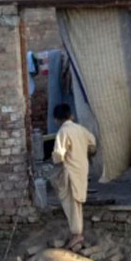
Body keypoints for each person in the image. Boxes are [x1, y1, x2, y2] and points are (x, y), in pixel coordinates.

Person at [50, 103, 97, 251]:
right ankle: (77, 233)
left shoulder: (63, 132)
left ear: (56, 120)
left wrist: (54, 158)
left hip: (70, 170)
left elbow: (58, 155)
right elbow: (93, 143)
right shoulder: (81, 129)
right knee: (77, 201)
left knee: (71, 203)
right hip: (82, 169)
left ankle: (77, 235)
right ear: (71, 116)